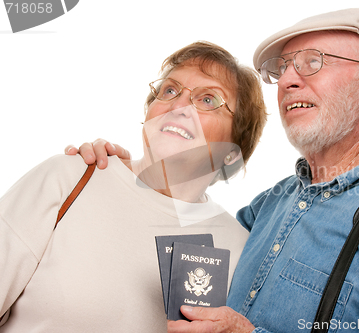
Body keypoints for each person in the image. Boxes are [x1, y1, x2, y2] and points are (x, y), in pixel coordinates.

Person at [67, 8, 359, 333]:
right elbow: (183, 222)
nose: (287, 81)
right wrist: (126, 174)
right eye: (282, 69)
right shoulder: (275, 203)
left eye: (312, 62)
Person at [0, 41, 267, 332]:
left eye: (208, 100)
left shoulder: (239, 248)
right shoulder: (68, 177)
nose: (178, 105)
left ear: (231, 151)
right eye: (169, 90)